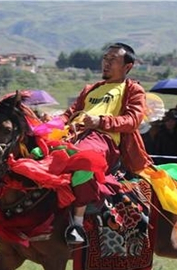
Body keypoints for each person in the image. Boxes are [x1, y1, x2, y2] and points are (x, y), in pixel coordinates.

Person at [61, 43, 152, 244]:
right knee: (36, 153)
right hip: (72, 136)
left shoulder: (133, 90)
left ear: (127, 67)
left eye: (113, 60)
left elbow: (132, 121)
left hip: (104, 140)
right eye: (105, 58)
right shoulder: (90, 89)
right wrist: (48, 123)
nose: (106, 63)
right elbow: (68, 115)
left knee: (82, 158)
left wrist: (100, 121)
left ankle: (76, 224)